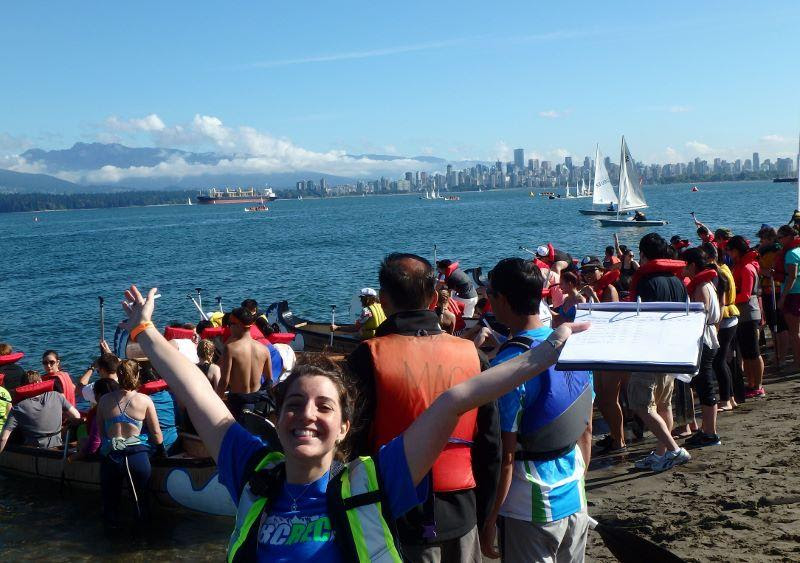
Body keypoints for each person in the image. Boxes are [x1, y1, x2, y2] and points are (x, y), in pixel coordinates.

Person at [116, 283, 583, 561]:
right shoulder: (255, 473)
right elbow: (197, 394)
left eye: (324, 407)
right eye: (294, 404)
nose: (306, 414)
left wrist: (544, 353)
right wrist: (144, 330)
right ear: (277, 417)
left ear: (344, 427)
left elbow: (454, 401)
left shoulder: (374, 480)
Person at [348, 253, 500, 562]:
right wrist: (486, 517)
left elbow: (352, 444)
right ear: (433, 299)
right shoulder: (473, 356)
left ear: (384, 300)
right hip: (462, 512)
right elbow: (490, 446)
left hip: (395, 515)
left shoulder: (366, 358)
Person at [481, 258, 592, 563]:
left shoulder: (508, 368)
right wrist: (580, 481)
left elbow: (506, 458)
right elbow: (586, 428)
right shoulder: (573, 347)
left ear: (503, 300)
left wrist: (490, 520)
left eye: (490, 294)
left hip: (530, 506)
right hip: (575, 493)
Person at [626, 233, 691, 471]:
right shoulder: (676, 280)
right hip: (671, 350)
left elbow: (641, 317)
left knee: (641, 403)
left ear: (643, 254)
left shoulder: (646, 281)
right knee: (664, 404)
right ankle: (661, 455)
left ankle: (674, 450)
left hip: (650, 351)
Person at [96, 359, 164, 528]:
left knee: (110, 505)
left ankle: (112, 537)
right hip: (137, 456)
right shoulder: (144, 400)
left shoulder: (104, 400)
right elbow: (156, 433)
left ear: (118, 376)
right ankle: (141, 537)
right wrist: (161, 450)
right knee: (141, 503)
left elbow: (102, 433)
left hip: (113, 456)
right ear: (137, 375)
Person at [682, 247, 723, 447]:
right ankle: (707, 429)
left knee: (704, 384)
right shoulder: (709, 284)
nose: (683, 269)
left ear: (692, 265)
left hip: (705, 339)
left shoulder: (701, 286)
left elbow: (701, 314)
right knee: (703, 383)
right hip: (711, 335)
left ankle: (710, 433)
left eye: (685, 265)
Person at [0, 370, 82, 452]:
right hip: (58, 443)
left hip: (35, 450)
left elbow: (4, 438)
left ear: (23, 386)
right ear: (40, 382)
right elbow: (77, 415)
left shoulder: (18, 407)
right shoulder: (56, 395)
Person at [702, 242, 740, 411]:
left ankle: (726, 399)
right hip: (731, 317)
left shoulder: (718, 273)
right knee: (723, 360)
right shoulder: (725, 268)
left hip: (725, 319)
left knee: (719, 361)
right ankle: (730, 397)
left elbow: (721, 302)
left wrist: (716, 326)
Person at [727, 235, 765, 398]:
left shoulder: (747, 268)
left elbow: (746, 295)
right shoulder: (740, 265)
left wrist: (728, 301)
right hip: (743, 314)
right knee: (746, 353)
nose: (729, 254)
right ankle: (751, 383)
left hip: (749, 313)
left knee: (754, 352)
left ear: (736, 250)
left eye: (730, 250)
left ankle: (759, 385)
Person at [218, 307, 272, 422]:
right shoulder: (264, 349)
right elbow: (269, 380)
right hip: (258, 401)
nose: (229, 327)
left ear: (238, 325)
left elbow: (224, 381)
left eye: (230, 324)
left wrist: (216, 401)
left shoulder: (230, 349)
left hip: (238, 402)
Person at [757, 225, 788, 366]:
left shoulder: (773, 252)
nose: (760, 242)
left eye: (762, 239)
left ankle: (781, 356)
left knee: (778, 325)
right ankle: (779, 354)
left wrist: (760, 269)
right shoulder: (770, 251)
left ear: (770, 239)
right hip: (771, 290)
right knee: (775, 324)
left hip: (774, 290)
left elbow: (770, 271)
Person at [70, 378, 121, 462]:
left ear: (99, 396)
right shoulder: (124, 408)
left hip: (110, 455)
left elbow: (94, 444)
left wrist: (73, 457)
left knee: (82, 441)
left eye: (94, 393)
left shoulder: (99, 414)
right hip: (127, 449)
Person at [777, 224, 800, 371]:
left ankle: (797, 363)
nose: (779, 241)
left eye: (780, 238)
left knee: (794, 332)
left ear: (789, 237)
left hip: (793, 295)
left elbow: (792, 277)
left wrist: (783, 297)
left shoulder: (791, 253)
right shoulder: (798, 250)